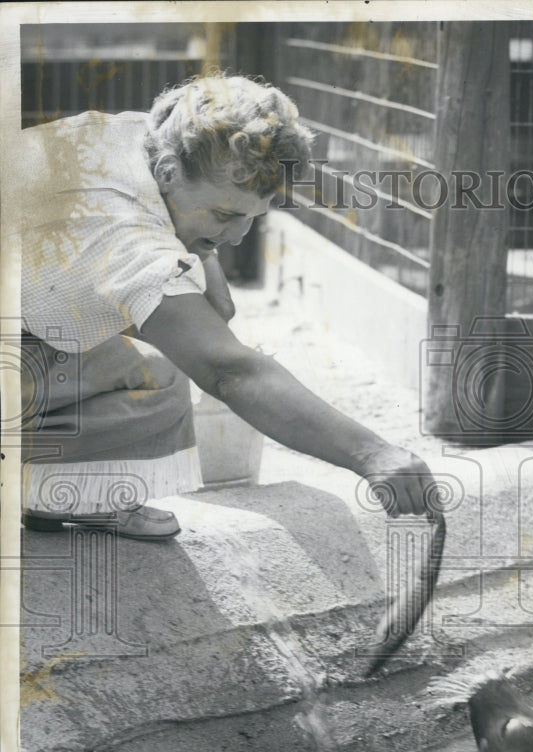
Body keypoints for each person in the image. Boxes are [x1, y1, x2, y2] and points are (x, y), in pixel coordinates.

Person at [19, 73, 434, 539]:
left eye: (252, 218)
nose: (238, 237)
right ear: (169, 174)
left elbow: (217, 306)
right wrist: (372, 454)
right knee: (162, 379)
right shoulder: (127, 242)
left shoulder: (132, 137)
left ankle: (62, 495)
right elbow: (230, 372)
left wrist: (204, 241)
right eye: (225, 215)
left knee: (152, 354)